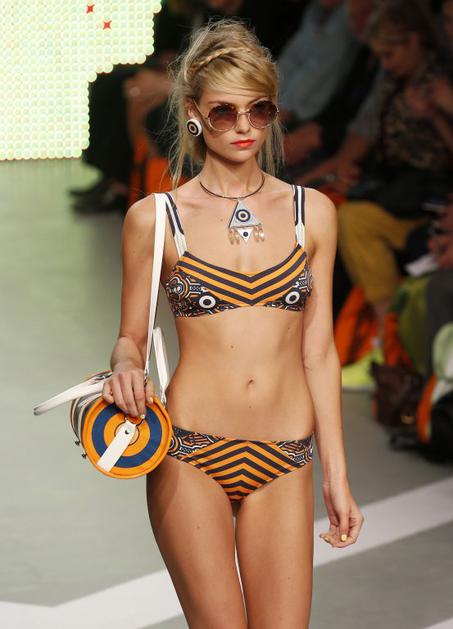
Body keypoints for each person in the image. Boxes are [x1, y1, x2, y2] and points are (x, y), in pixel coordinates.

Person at [102, 18, 364, 627]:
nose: (244, 126)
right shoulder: (155, 220)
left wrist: (337, 476)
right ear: (194, 113)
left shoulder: (312, 213)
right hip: (190, 451)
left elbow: (319, 352)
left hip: (285, 456)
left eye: (259, 109)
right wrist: (124, 369)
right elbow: (130, 338)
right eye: (224, 112)